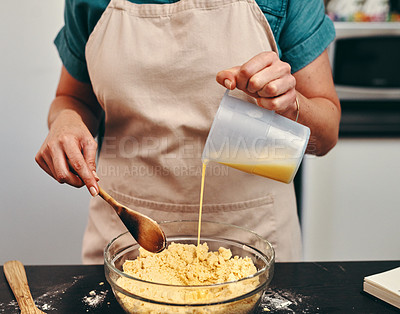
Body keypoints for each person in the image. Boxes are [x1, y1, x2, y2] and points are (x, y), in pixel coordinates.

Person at [35, 0, 341, 264]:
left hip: (252, 242)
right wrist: (65, 119)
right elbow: (73, 98)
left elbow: (325, 137)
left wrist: (290, 104)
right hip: (128, 240)